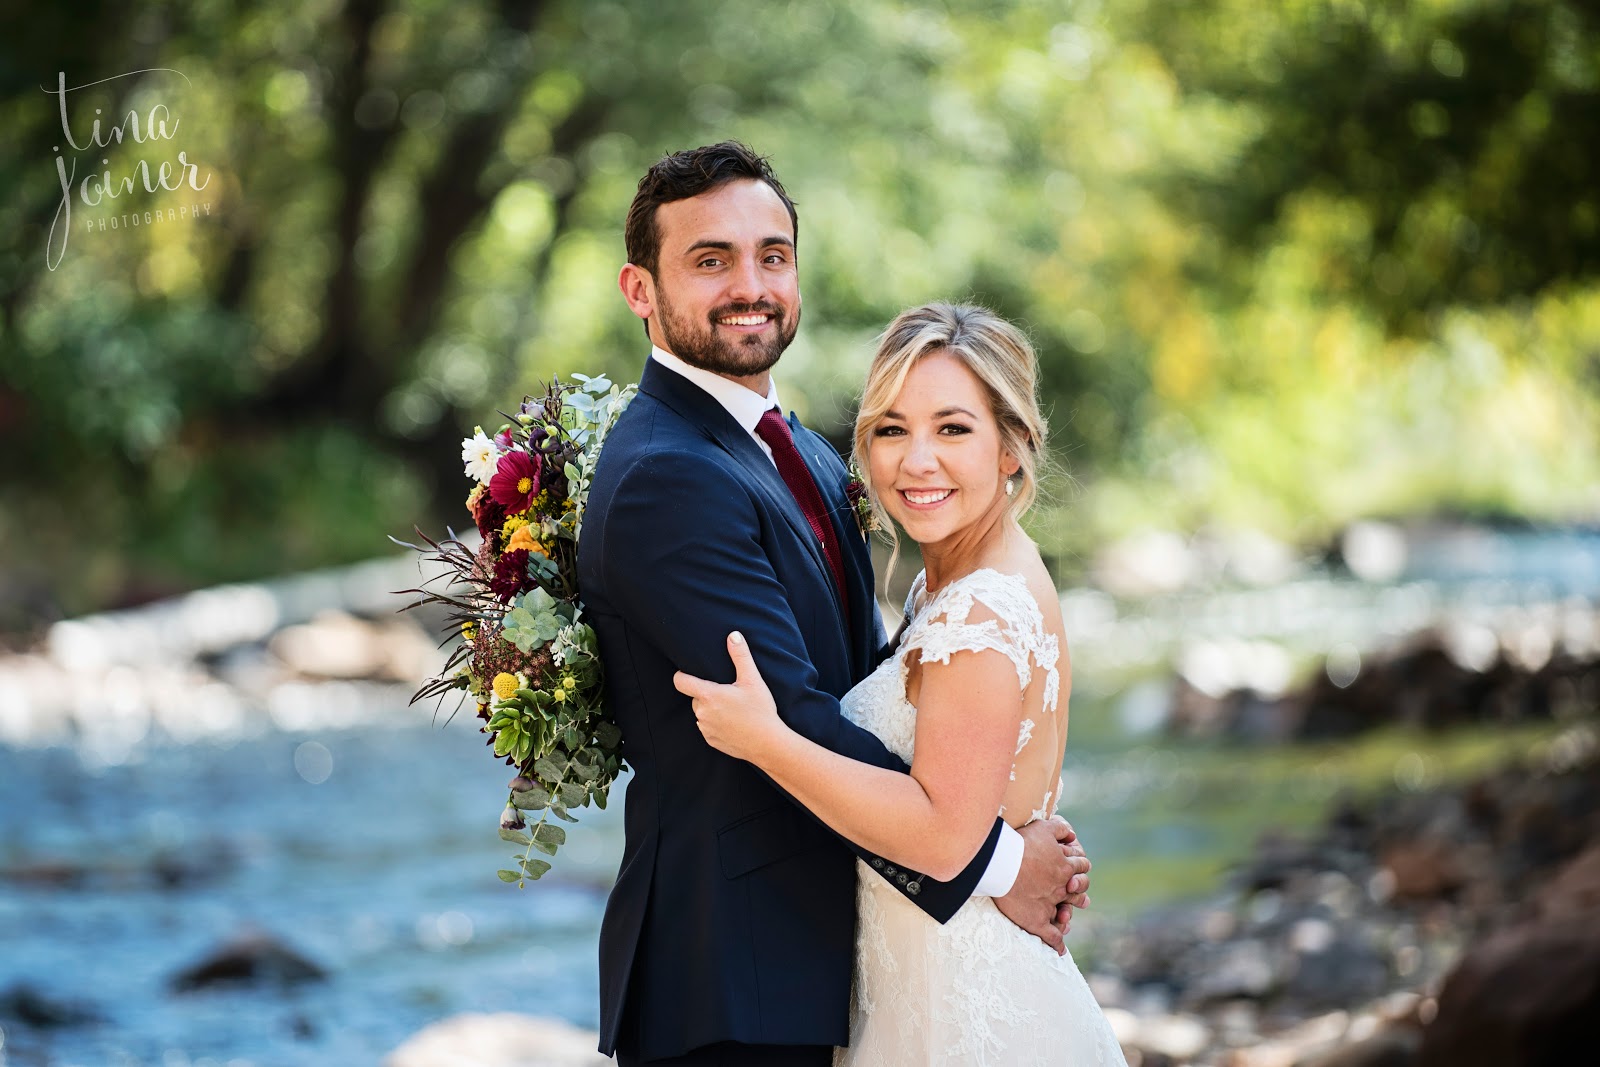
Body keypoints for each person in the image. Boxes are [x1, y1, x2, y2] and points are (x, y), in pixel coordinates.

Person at [576, 143, 1094, 1067]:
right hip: (734, 980)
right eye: (711, 259)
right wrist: (1001, 862)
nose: (751, 285)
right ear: (640, 289)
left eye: (771, 255)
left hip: (828, 968)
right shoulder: (668, 474)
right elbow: (795, 719)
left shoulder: (804, 453)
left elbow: (868, 685)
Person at [676, 302, 1129, 1066]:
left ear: (1011, 446)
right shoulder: (953, 586)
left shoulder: (979, 612)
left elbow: (944, 837)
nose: (917, 461)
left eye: (952, 429)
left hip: (963, 1005)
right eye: (892, 429)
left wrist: (766, 741)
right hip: (923, 979)